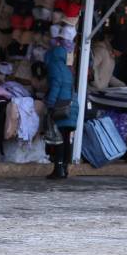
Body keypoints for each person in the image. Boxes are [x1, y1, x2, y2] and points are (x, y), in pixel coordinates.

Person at [45, 45, 79, 180]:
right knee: (66, 138)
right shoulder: (67, 69)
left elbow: (56, 86)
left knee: (59, 139)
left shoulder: (54, 66)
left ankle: (58, 170)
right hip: (72, 106)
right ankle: (64, 168)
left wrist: (50, 104)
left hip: (61, 106)